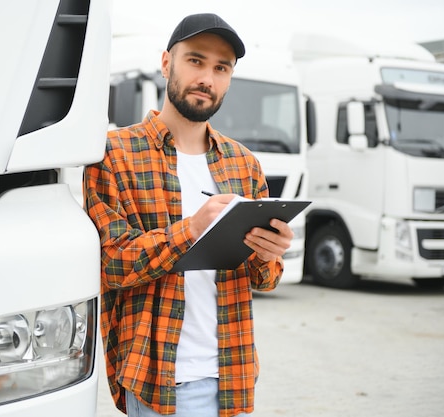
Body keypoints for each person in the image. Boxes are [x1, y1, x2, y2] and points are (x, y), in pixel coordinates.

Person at [83, 13, 293, 417]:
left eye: (221, 68)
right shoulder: (114, 155)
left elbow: (265, 280)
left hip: (232, 377)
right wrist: (192, 229)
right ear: (166, 63)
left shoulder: (243, 164)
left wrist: (269, 255)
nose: (207, 79)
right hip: (159, 380)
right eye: (195, 61)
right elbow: (110, 263)